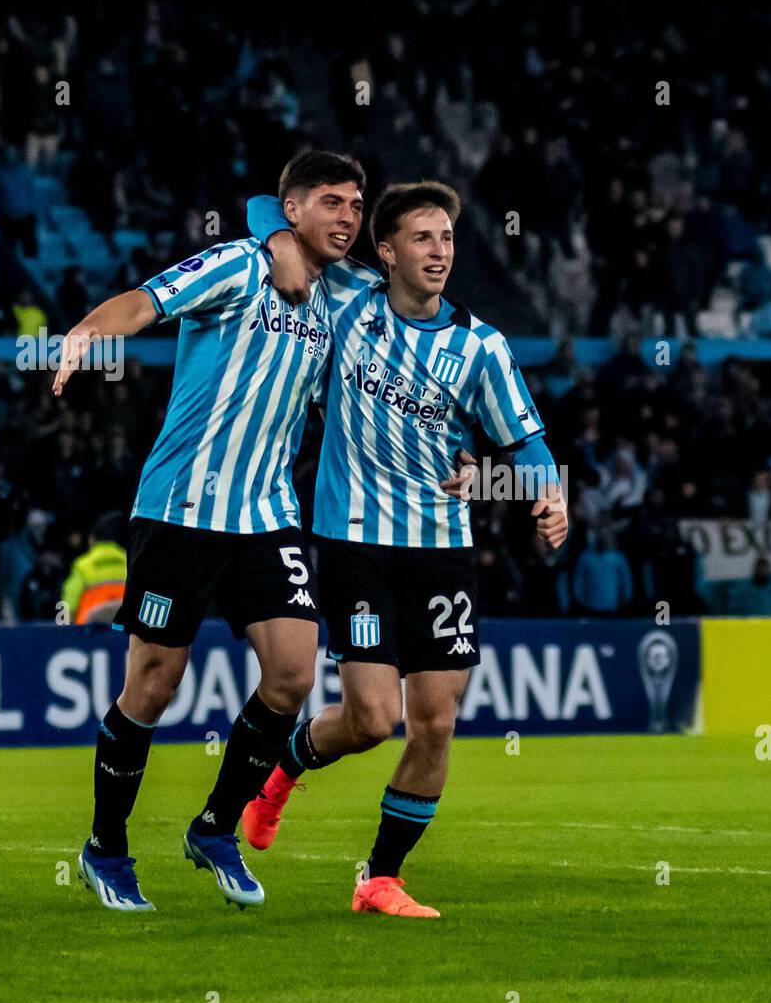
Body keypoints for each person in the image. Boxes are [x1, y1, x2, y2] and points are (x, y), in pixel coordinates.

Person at [242, 181, 568, 918]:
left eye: (447, 239)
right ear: (384, 252)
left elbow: (528, 444)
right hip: (355, 541)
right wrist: (277, 245)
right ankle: (284, 768)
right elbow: (269, 203)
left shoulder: (480, 346)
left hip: (442, 550)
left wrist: (548, 497)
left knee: (437, 723)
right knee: (371, 719)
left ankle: (379, 879)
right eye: (422, 239)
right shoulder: (348, 294)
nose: (439, 252)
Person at [53, 150, 366, 912]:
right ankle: (106, 847)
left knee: (294, 671)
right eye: (331, 202)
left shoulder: (341, 294)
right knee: (154, 685)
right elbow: (146, 300)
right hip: (181, 510)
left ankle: (216, 827)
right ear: (292, 210)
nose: (348, 217)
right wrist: (90, 331)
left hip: (266, 515)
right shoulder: (237, 264)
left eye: (356, 204)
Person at [61, 513, 128, 625]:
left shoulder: (82, 565)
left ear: (92, 539)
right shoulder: (129, 564)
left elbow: (68, 604)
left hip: (88, 635)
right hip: (123, 634)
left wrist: (61, 630)